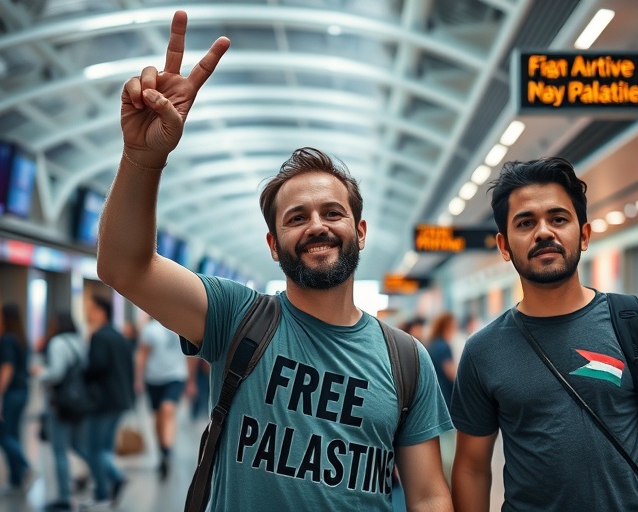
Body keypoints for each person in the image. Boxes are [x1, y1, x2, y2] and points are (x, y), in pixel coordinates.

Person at [95, 11, 452, 511]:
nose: (317, 226)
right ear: (272, 244)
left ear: (361, 232)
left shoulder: (407, 361)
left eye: (332, 212)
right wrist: (142, 156)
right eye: (296, 217)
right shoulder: (237, 317)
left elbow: (430, 493)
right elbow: (123, 267)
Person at [450, 157, 638, 512]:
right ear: (504, 246)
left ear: (584, 235)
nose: (544, 232)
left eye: (558, 219)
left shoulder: (635, 323)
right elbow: (471, 467)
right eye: (526, 222)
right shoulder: (483, 351)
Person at [34, 311, 90, 511]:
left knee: (59, 451)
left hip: (60, 403)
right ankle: (107, 473)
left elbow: (56, 373)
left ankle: (64, 498)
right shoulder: (78, 341)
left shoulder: (57, 343)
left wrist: (40, 374)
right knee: (77, 444)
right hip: (78, 402)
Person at [83, 295, 135, 507]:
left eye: (91, 309)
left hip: (103, 401)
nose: (88, 313)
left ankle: (109, 485)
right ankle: (105, 488)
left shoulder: (100, 337)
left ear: (101, 312)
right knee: (103, 447)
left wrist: (82, 373)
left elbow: (98, 366)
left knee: (94, 448)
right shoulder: (119, 336)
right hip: (120, 399)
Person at [0, 304, 34, 498]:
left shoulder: (7, 339)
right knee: (11, 435)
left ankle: (25, 467)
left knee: (2, 436)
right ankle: (16, 479)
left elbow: (7, 368)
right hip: (21, 392)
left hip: (9, 394)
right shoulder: (21, 339)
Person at [135, 317, 189, 480]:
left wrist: (191, 380)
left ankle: (168, 449)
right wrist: (138, 379)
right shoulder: (150, 329)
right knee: (157, 418)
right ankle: (162, 451)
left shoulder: (182, 325)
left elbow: (190, 356)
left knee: (168, 409)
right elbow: (143, 354)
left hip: (175, 376)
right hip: (153, 379)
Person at [426, 311, 458, 484]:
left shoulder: (432, 344)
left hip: (436, 402)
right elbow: (451, 373)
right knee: (449, 451)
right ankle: (447, 485)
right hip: (447, 402)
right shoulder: (443, 346)